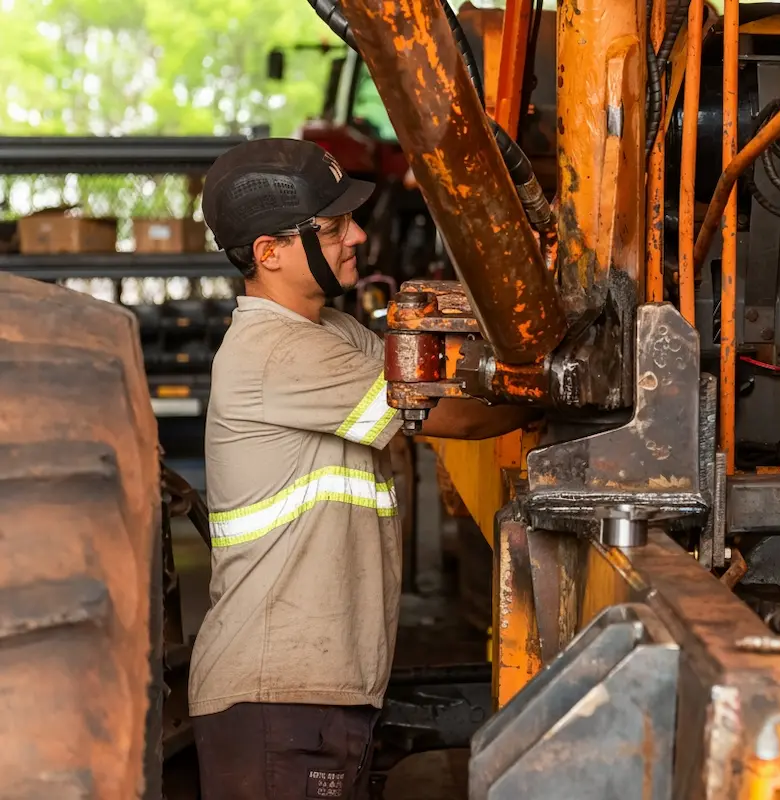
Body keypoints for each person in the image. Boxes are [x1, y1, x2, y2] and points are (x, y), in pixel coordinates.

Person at [190, 138, 528, 798]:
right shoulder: (273, 352)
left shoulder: (335, 335)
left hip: (319, 693)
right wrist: (554, 389)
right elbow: (445, 413)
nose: (357, 236)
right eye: (333, 225)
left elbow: (444, 383)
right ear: (269, 252)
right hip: (274, 698)